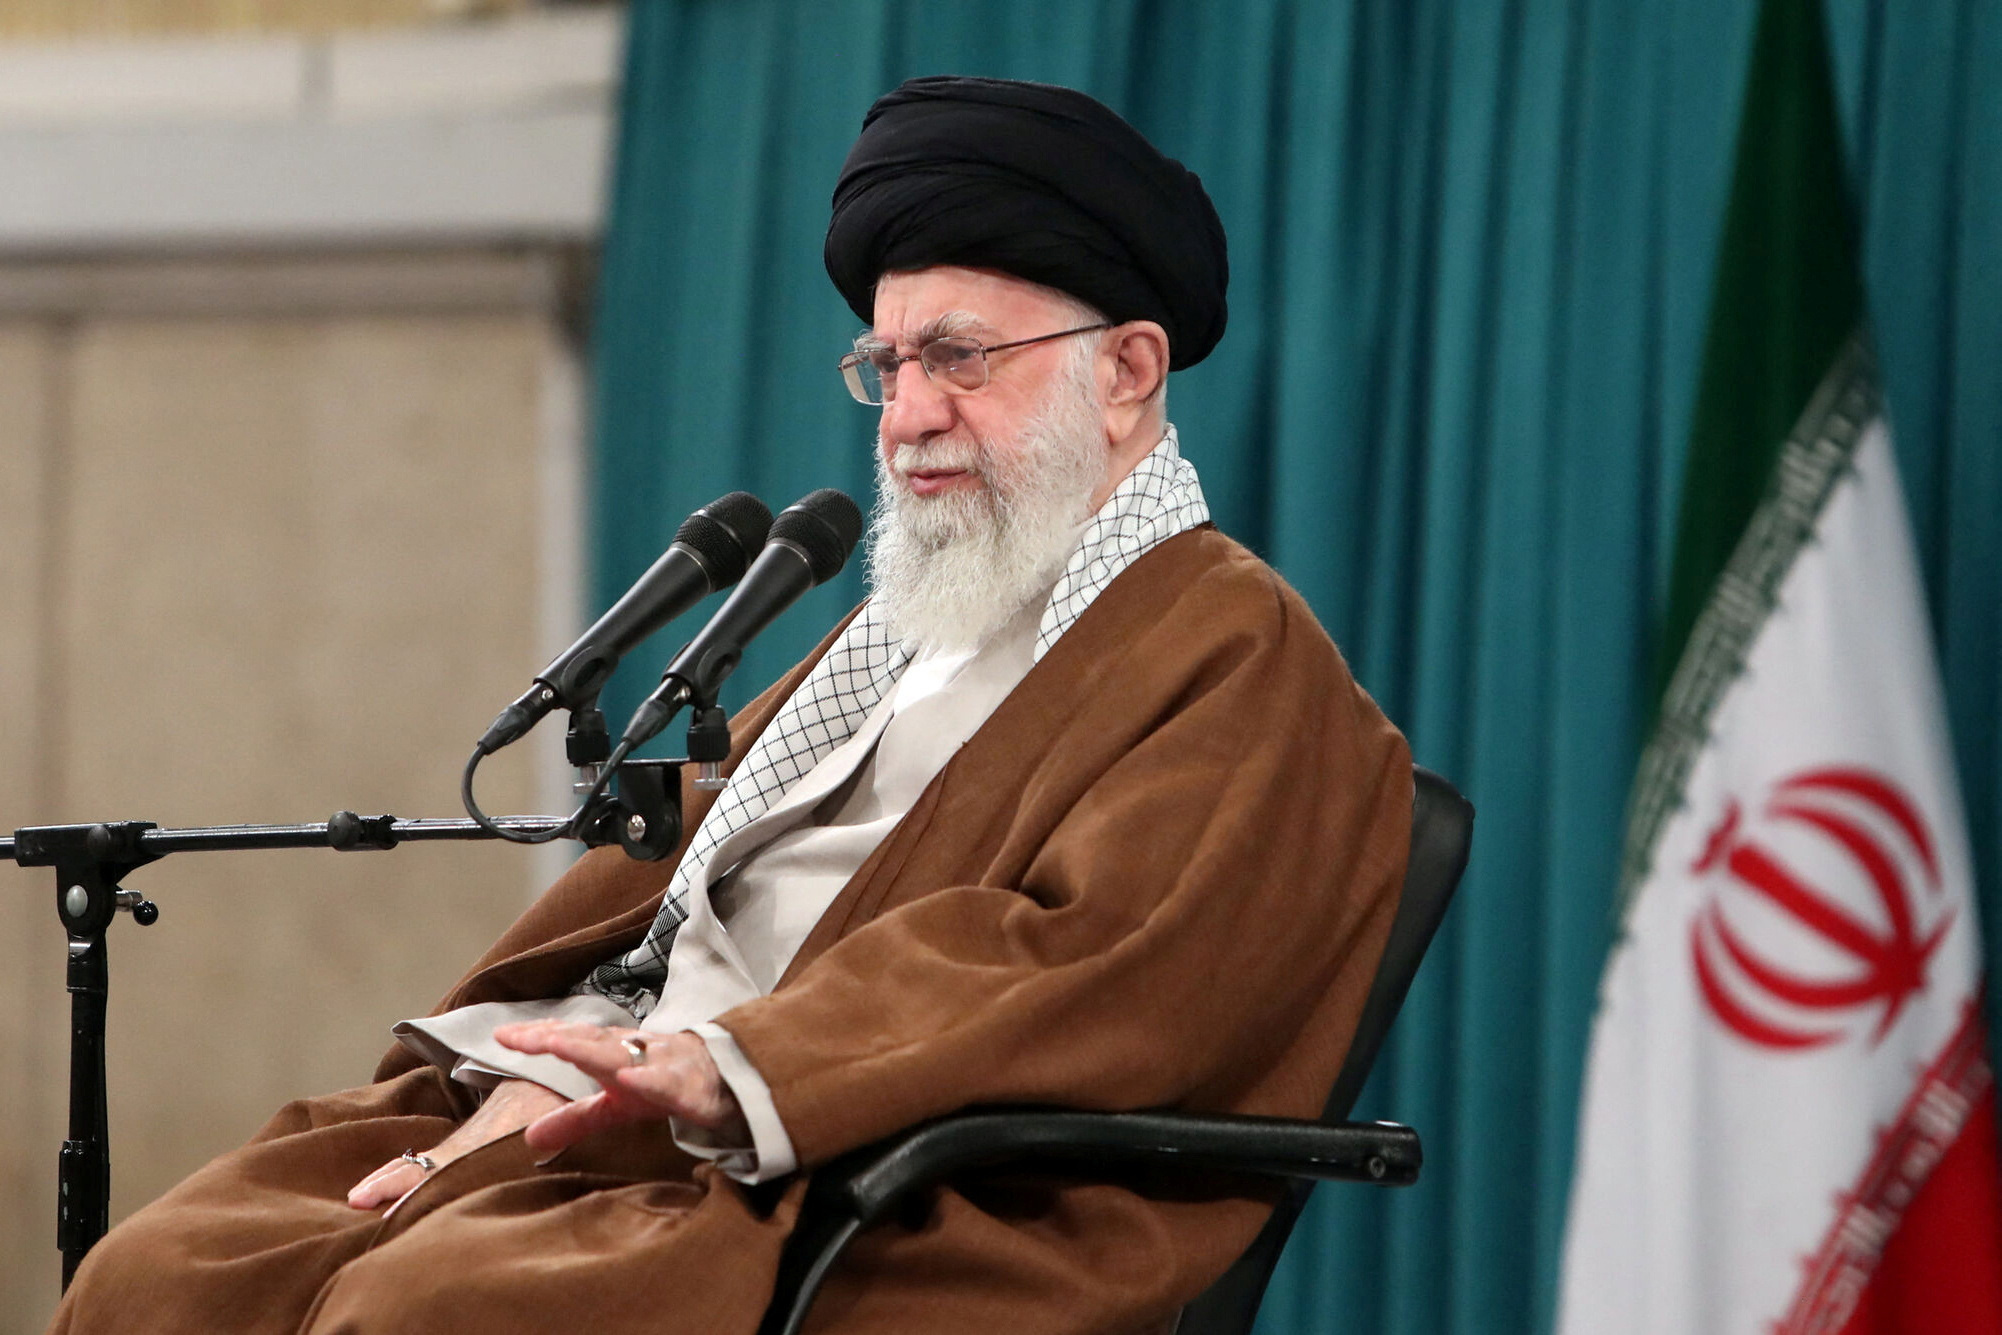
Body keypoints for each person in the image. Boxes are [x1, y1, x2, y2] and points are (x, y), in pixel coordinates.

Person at [49, 76, 1411, 1335]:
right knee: (165, 1276)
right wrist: (529, 1080)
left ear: (1125, 374)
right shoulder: (900, 631)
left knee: (428, 1318)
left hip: (864, 1185)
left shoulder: (1235, 659)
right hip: (627, 1116)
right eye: (885, 368)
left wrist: (731, 1070)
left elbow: (1095, 969)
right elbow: (676, 909)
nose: (905, 416)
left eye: (959, 360)